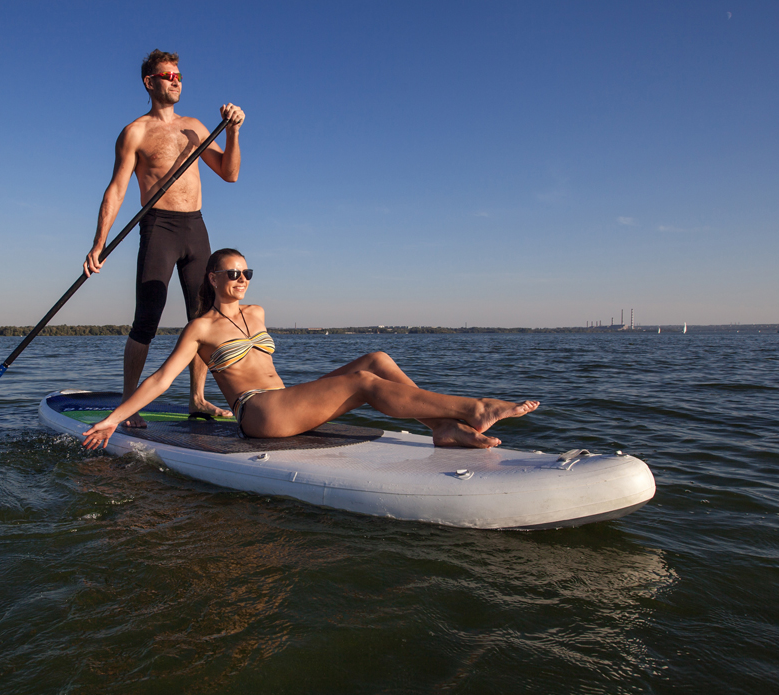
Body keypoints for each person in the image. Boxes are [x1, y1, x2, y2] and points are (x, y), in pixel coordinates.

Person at [82, 249, 539, 451]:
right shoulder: (200, 328)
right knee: (363, 384)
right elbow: (162, 378)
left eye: (247, 273)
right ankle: (474, 409)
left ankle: (442, 428)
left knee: (376, 360)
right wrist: (114, 417)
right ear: (213, 279)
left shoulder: (257, 313)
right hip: (258, 415)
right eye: (232, 273)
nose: (241, 280)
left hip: (286, 399)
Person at [83, 49, 246, 427]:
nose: (176, 80)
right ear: (150, 82)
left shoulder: (196, 126)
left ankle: (197, 399)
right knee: (148, 317)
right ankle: (129, 404)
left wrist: (234, 131)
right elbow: (117, 190)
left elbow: (230, 173)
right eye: (168, 75)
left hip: (196, 227)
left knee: (203, 316)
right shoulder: (135, 132)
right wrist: (98, 243)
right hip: (159, 227)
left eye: (179, 75)